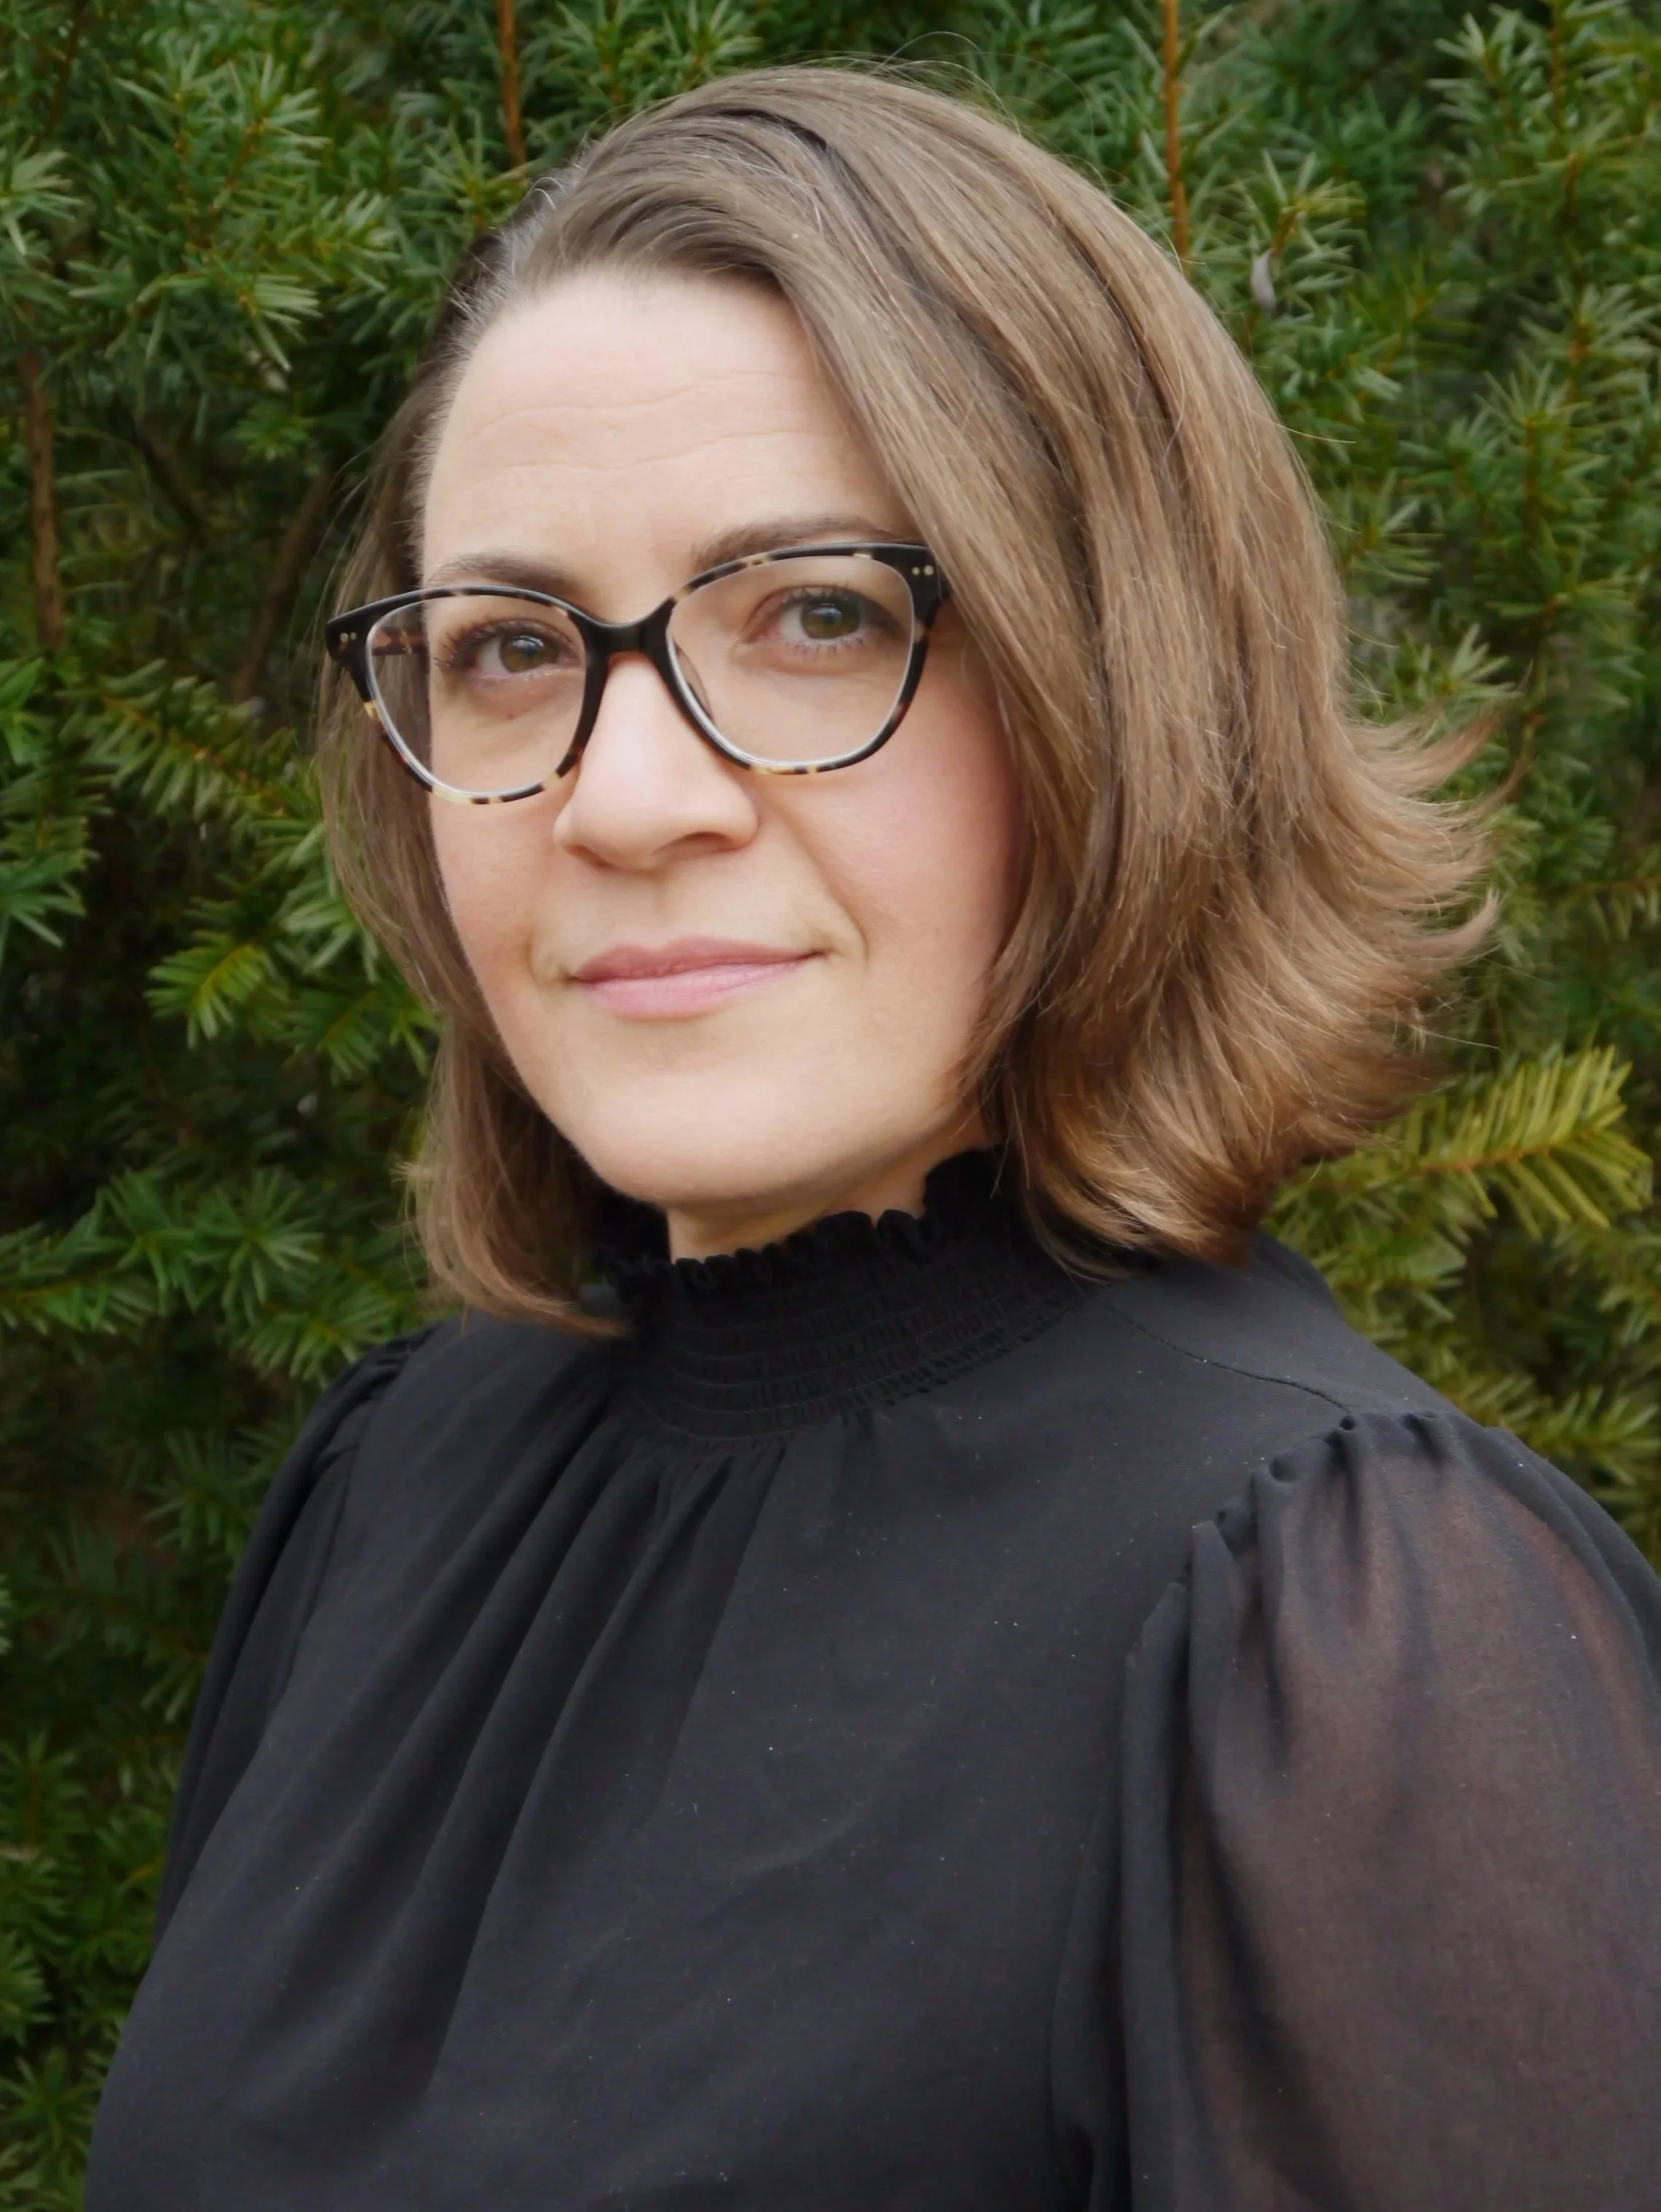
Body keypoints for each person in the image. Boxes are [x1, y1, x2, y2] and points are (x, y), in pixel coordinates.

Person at [87, 65, 1661, 2212]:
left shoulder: (1350, 1612)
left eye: (818, 611)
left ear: (1121, 685)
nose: (628, 798)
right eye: (513, 648)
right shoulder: (394, 1484)